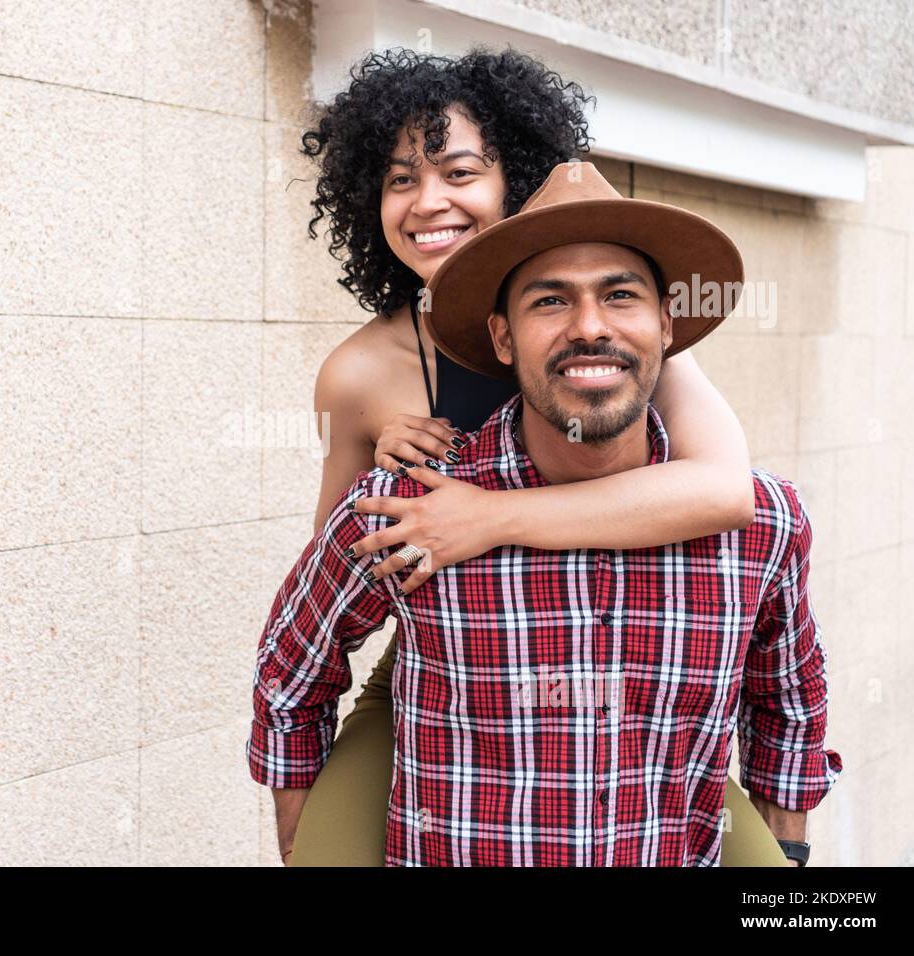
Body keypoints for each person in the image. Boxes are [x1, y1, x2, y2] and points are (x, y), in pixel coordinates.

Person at [248, 161, 843, 866]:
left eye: (620, 296)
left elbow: (788, 699)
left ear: (666, 325)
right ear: (502, 340)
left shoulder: (760, 524)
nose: (589, 328)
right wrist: (299, 832)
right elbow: (293, 665)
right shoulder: (410, 508)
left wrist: (789, 852)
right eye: (550, 302)